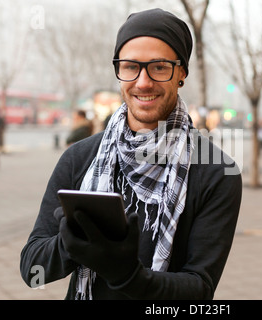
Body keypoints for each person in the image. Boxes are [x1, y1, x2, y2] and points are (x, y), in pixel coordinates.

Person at [20, 8, 242, 300]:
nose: (143, 82)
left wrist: (129, 276)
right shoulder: (80, 158)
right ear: (118, 71)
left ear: (181, 74)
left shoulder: (217, 172)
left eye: (159, 67)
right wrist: (68, 243)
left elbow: (199, 289)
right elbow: (32, 270)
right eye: (130, 66)